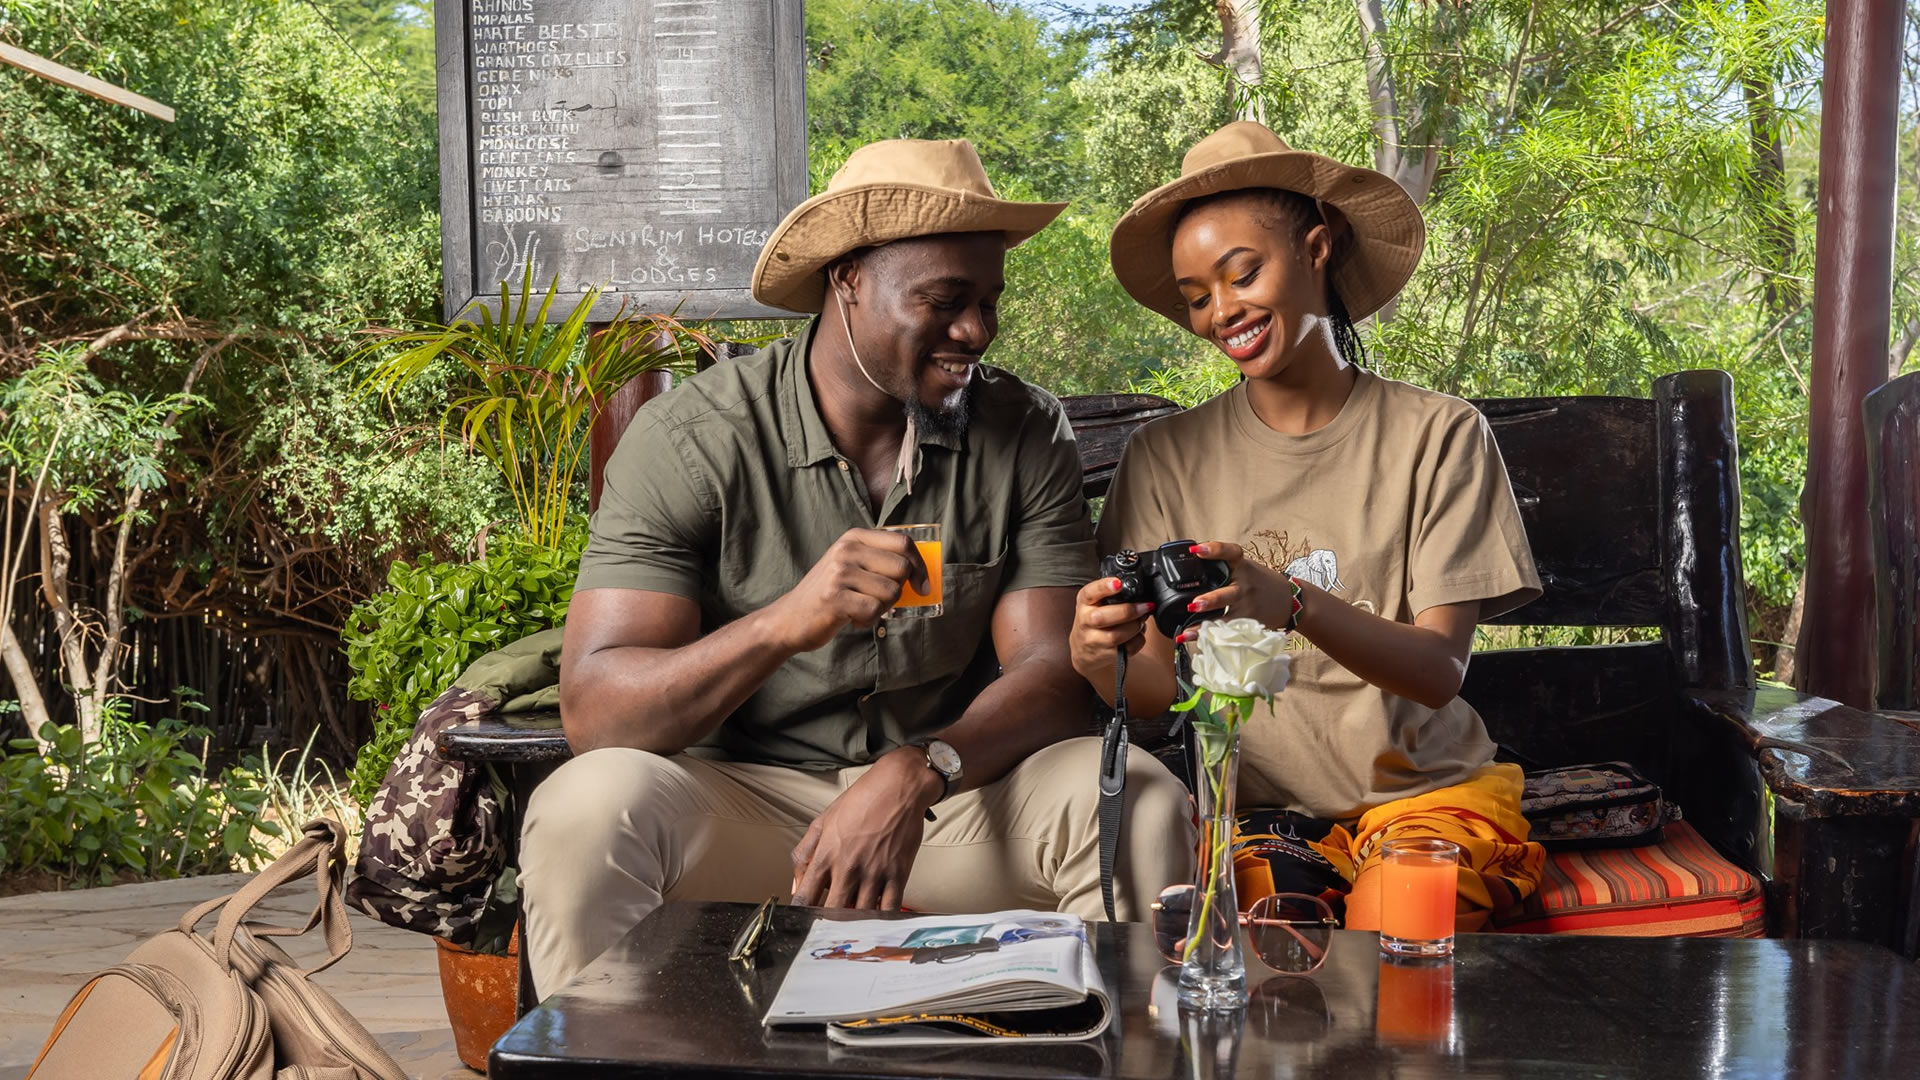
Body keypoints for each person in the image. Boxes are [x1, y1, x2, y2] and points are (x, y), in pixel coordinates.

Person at [518, 138, 1196, 996]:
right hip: (744, 803)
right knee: (585, 810)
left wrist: (923, 769)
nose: (976, 332)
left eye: (989, 302)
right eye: (945, 300)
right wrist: (783, 622)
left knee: (1137, 797)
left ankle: (1101, 1052)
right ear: (847, 280)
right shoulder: (694, 438)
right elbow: (597, 713)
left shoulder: (1022, 428)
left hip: (951, 801)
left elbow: (1053, 668)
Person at [1071, 121, 1546, 932]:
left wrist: (1286, 601)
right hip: (1257, 815)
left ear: (1317, 249)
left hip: (1426, 798)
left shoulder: (1437, 435)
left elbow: (1438, 672)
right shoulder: (1164, 457)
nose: (1222, 312)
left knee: (1397, 930)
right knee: (1256, 942)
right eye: (1196, 297)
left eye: (1242, 274)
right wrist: (1096, 658)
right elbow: (1152, 690)